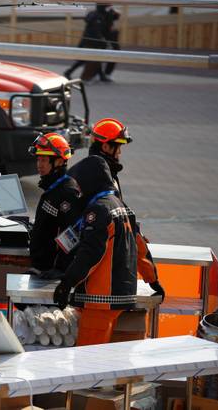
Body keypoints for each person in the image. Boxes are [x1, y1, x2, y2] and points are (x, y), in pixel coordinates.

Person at [53, 155, 137, 345]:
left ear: (90, 181)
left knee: (88, 363)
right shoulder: (121, 205)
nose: (78, 190)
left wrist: (67, 282)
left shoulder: (98, 210)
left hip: (101, 301)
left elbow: (91, 253)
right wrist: (153, 279)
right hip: (122, 296)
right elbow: (140, 246)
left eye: (80, 184)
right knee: (106, 362)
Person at [88, 117, 164, 300]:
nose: (120, 153)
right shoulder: (104, 181)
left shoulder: (93, 173)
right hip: (103, 282)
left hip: (90, 276)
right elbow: (130, 231)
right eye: (118, 146)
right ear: (106, 147)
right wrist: (152, 279)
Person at [26, 133, 81, 278]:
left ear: (58, 162)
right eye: (38, 159)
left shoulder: (67, 192)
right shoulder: (53, 189)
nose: (39, 165)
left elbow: (73, 234)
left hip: (51, 271)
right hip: (41, 267)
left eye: (44, 160)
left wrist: (60, 269)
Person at [63, 4, 111, 82]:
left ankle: (101, 75)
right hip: (91, 42)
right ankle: (68, 72)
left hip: (89, 41)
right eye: (107, 7)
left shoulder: (95, 15)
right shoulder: (97, 17)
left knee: (94, 58)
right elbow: (96, 31)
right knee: (87, 59)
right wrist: (103, 40)